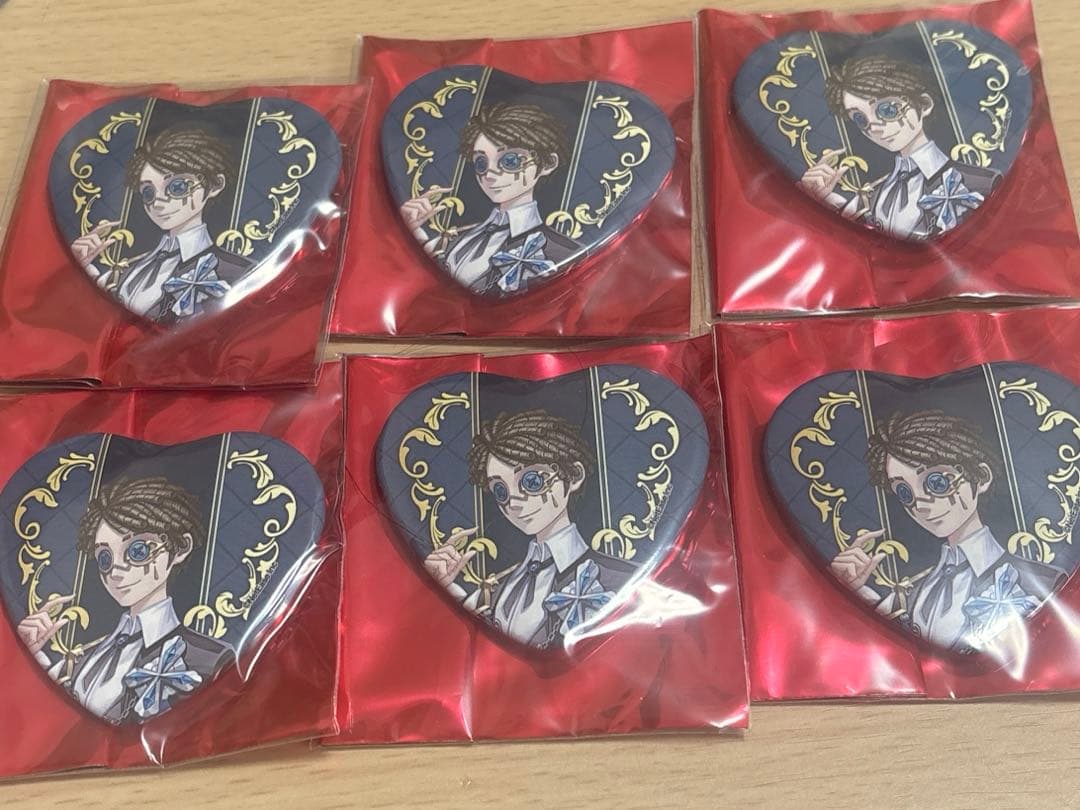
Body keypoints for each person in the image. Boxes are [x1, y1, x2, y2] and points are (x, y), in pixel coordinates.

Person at [830, 410, 1064, 652]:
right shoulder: (912, 593)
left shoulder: (1043, 581)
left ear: (981, 477)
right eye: (904, 492)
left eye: (937, 482)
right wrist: (847, 589)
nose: (920, 504)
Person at [18, 477, 234, 724]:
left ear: (181, 548)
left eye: (137, 550)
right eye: (105, 558)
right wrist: (29, 660)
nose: (116, 571)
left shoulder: (210, 658)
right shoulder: (83, 658)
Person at [424, 409, 634, 647]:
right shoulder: (498, 587)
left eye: (531, 481)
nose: (513, 502)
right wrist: (437, 589)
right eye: (500, 490)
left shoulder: (622, 577)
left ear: (574, 476)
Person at [798, 54, 1000, 240]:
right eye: (860, 118)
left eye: (887, 109)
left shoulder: (981, 183)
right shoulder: (872, 194)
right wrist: (816, 199)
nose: (874, 127)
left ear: (924, 105)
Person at [70, 125, 253, 322]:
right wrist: (77, 269)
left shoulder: (239, 270)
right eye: (148, 192)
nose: (157, 202)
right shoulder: (128, 269)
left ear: (215, 185)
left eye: (177, 187)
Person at [399, 102, 581, 296]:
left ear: (548, 164)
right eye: (481, 162)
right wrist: (409, 231)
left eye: (510, 160)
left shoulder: (564, 251)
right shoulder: (456, 237)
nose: (489, 174)